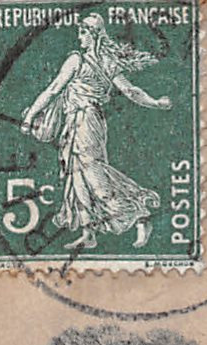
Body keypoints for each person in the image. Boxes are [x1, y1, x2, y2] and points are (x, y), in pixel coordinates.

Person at [20, 13, 171, 250]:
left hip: (86, 122)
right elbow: (130, 91)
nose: (79, 36)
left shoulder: (78, 61)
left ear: (95, 35)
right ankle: (88, 232)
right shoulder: (103, 63)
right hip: (77, 123)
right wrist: (156, 103)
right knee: (76, 176)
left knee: (94, 176)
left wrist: (30, 117)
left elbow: (53, 91)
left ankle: (140, 215)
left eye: (83, 32)